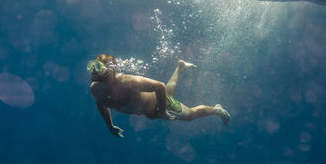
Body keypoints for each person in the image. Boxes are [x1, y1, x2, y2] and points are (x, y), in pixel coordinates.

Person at [88, 54, 230, 138]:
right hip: (148, 110)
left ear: (111, 70)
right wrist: (110, 126)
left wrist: (162, 112)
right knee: (169, 91)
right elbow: (101, 103)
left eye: (97, 67)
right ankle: (180, 67)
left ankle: (216, 109)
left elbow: (159, 86)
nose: (92, 71)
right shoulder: (96, 89)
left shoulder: (127, 82)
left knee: (190, 115)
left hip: (159, 105)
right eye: (91, 66)